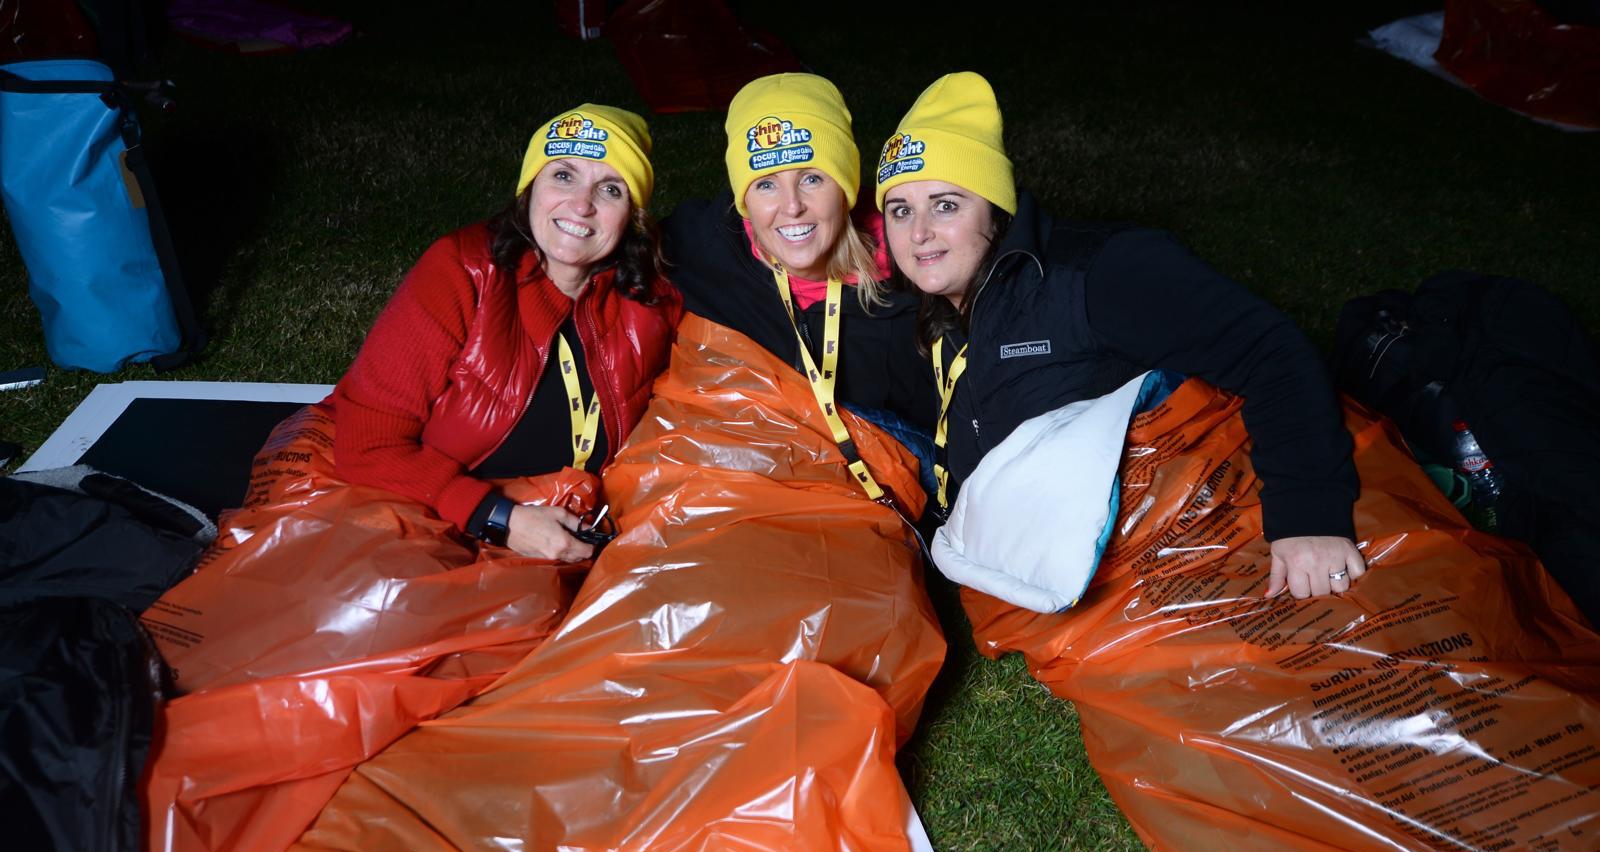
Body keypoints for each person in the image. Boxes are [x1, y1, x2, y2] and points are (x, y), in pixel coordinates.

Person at [876, 72, 1366, 599]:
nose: (919, 232)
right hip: (996, 543)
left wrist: (1308, 515)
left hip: (1137, 541)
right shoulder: (938, 308)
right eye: (901, 211)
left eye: (945, 205)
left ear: (997, 210)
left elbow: (1271, 351)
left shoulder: (1097, 271)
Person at [332, 103, 680, 560]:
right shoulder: (462, 271)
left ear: (632, 214)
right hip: (431, 524)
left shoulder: (652, 299)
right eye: (562, 175)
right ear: (530, 187)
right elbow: (367, 445)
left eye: (610, 189)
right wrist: (497, 518)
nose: (581, 204)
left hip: (579, 539)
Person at [661, 73, 936, 501]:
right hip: (755, 480)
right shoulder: (704, 246)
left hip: (887, 484)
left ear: (844, 188)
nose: (791, 207)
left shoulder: (917, 269)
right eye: (766, 184)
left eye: (811, 178)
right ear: (745, 201)